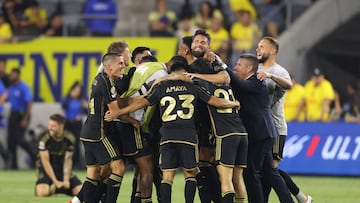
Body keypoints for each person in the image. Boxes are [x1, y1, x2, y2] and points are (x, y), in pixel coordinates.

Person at [104, 59, 240, 203]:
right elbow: (216, 101)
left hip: (168, 135)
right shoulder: (193, 86)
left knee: (167, 176)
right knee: (190, 174)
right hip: (188, 135)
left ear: (171, 72)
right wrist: (234, 103)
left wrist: (118, 113)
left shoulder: (162, 87)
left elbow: (141, 103)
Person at [226, 53, 294, 203]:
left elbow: (239, 84)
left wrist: (223, 66)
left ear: (249, 68)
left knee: (250, 172)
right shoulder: (246, 83)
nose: (235, 67)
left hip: (260, 134)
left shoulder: (256, 80)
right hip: (264, 133)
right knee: (269, 172)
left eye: (239, 65)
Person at [256, 36, 312, 203]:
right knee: (262, 171)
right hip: (257, 127)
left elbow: (289, 85)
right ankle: (301, 197)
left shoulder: (279, 71)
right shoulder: (253, 68)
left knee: (269, 171)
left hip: (275, 128)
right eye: (258, 46)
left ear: (273, 51)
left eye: (262, 46)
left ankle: (299, 196)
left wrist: (269, 76)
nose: (258, 49)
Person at [80, 52, 127, 203]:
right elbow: (114, 111)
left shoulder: (98, 79)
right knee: (119, 167)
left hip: (87, 132)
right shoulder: (107, 82)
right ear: (109, 67)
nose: (123, 66)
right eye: (120, 63)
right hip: (98, 134)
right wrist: (134, 120)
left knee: (93, 173)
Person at [35, 114, 82, 197]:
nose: (50, 128)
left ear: (61, 126)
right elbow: (45, 162)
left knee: (80, 192)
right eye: (49, 125)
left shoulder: (69, 138)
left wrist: (66, 180)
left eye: (53, 126)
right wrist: (55, 181)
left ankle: (60, 190)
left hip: (62, 168)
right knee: (43, 193)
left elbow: (68, 160)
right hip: (46, 169)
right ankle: (53, 189)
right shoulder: (43, 138)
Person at [7, 67, 35, 169]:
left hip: (22, 114)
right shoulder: (11, 88)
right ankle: (13, 165)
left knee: (19, 139)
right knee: (11, 140)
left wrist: (25, 119)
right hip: (13, 114)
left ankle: (34, 155)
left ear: (17, 75)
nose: (11, 76)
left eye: (13, 74)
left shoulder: (24, 87)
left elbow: (29, 103)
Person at [61, 81, 87, 169]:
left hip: (77, 124)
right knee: (67, 142)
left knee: (76, 143)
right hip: (68, 123)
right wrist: (69, 96)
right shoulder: (67, 99)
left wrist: (85, 107)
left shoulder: (81, 101)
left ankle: (76, 163)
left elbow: (86, 112)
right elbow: (63, 106)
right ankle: (66, 162)